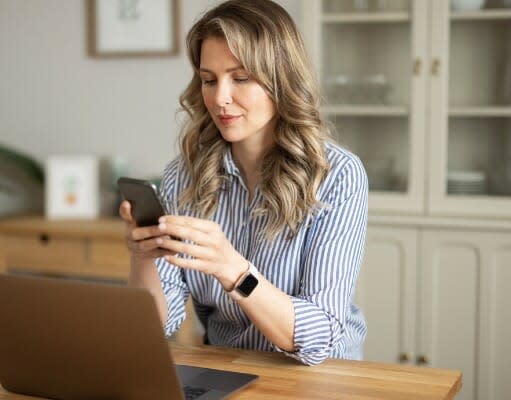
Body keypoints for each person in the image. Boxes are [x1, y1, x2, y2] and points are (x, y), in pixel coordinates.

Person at [120, 0, 368, 366]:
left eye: (241, 78)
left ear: (280, 79)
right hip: (226, 367)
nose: (220, 98)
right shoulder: (183, 177)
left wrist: (233, 269)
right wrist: (143, 259)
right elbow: (157, 325)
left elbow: (320, 335)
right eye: (208, 80)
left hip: (318, 375)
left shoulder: (337, 176)